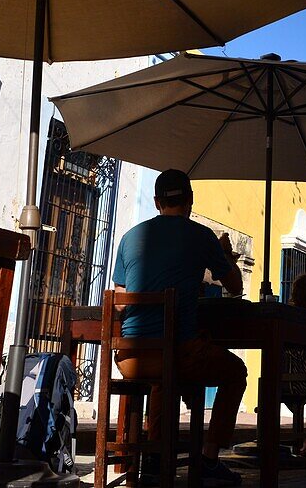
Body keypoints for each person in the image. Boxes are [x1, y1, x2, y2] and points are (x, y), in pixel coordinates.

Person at [111, 169, 246, 487]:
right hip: (178, 354)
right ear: (190, 200)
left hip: (130, 357)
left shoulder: (130, 237)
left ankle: (157, 458)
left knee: (164, 373)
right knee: (235, 371)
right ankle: (210, 458)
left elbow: (118, 300)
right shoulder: (202, 236)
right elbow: (236, 286)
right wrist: (224, 256)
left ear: (157, 202)